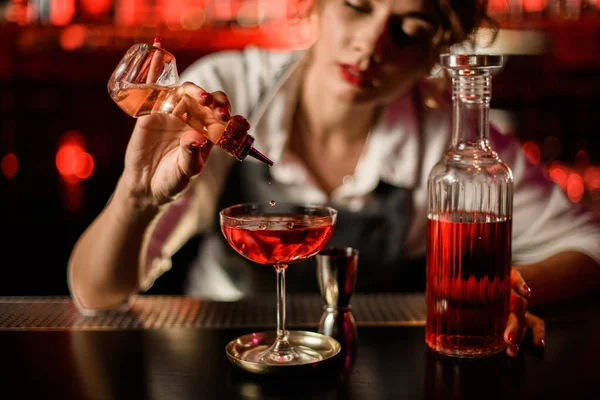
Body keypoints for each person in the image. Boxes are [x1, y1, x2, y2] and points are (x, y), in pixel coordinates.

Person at [68, 0, 600, 358]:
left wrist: (514, 288)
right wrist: (136, 196)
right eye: (357, 5)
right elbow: (96, 293)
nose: (371, 46)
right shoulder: (223, 94)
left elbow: (587, 245)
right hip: (219, 357)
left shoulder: (449, 140)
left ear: (434, 55)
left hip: (373, 365)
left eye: (409, 31)